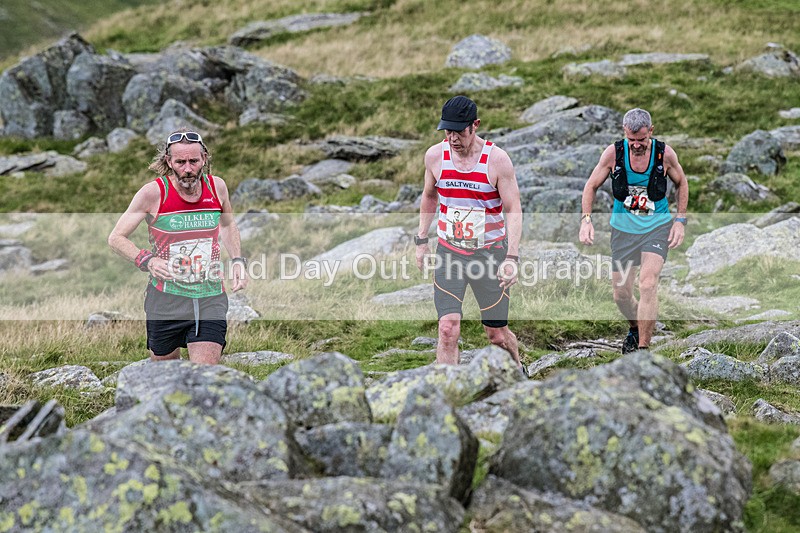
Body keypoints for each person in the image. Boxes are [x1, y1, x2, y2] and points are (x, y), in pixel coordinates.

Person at [109, 130, 248, 364]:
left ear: (204, 158)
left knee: (205, 372)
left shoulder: (217, 188)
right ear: (169, 161)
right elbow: (116, 238)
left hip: (209, 296)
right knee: (166, 371)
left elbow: (227, 225)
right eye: (180, 162)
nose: (188, 169)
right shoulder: (153, 193)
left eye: (193, 161)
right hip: (166, 299)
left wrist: (237, 261)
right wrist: (148, 261)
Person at [415, 95, 523, 369]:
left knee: (496, 335)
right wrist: (421, 240)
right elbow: (429, 197)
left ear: (475, 126)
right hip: (450, 253)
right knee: (448, 329)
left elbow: (513, 208)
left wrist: (512, 258)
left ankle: (517, 374)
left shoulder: (497, 160)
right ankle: (447, 394)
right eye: (448, 131)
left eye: (459, 131)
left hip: (490, 254)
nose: (452, 138)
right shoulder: (435, 156)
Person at [579, 108, 688, 353]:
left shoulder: (664, 154)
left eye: (642, 140)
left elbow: (682, 182)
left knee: (648, 284)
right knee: (621, 295)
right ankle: (636, 327)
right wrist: (586, 220)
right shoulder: (613, 154)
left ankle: (643, 351)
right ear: (624, 132)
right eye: (632, 140)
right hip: (623, 232)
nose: (637, 145)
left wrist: (680, 221)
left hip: (656, 228)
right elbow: (591, 186)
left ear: (651, 131)